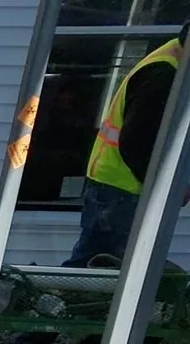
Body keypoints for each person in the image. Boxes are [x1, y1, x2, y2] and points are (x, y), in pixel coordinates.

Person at [73, 24, 188, 265]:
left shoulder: (171, 62)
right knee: (110, 269)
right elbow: (137, 144)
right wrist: (169, 187)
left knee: (95, 266)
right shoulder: (164, 74)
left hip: (116, 188)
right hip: (122, 191)